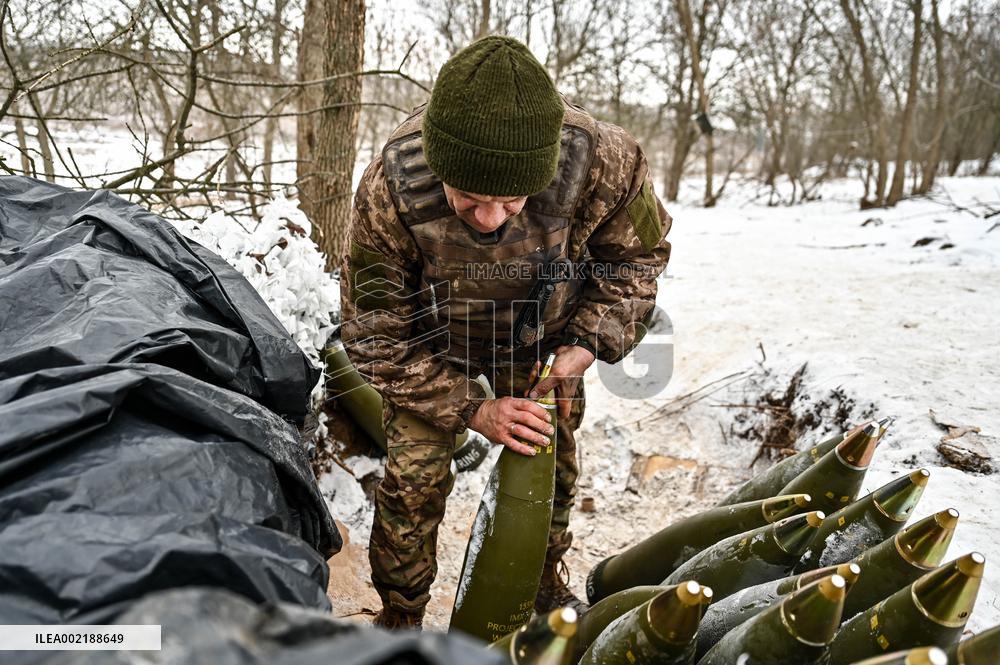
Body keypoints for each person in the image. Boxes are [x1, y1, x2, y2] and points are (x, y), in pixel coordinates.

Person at [340, 35, 672, 629]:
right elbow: (374, 332)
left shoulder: (604, 161)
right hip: (432, 347)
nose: (490, 219)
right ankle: (400, 616)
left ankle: (540, 584)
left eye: (511, 199)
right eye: (467, 199)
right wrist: (471, 408)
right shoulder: (391, 185)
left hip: (544, 340)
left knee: (549, 464)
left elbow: (637, 260)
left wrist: (588, 341)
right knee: (412, 482)